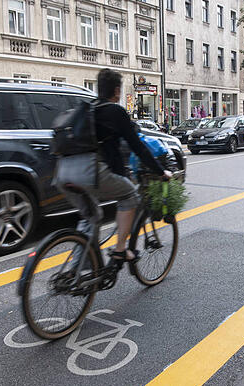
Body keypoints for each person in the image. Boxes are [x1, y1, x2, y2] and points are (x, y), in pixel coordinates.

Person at [59, 68, 172, 263]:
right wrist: (161, 171)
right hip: (90, 172)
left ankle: (77, 272)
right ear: (117, 90)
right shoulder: (115, 111)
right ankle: (120, 250)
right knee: (130, 196)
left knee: (91, 217)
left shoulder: (89, 108)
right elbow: (138, 147)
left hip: (63, 173)